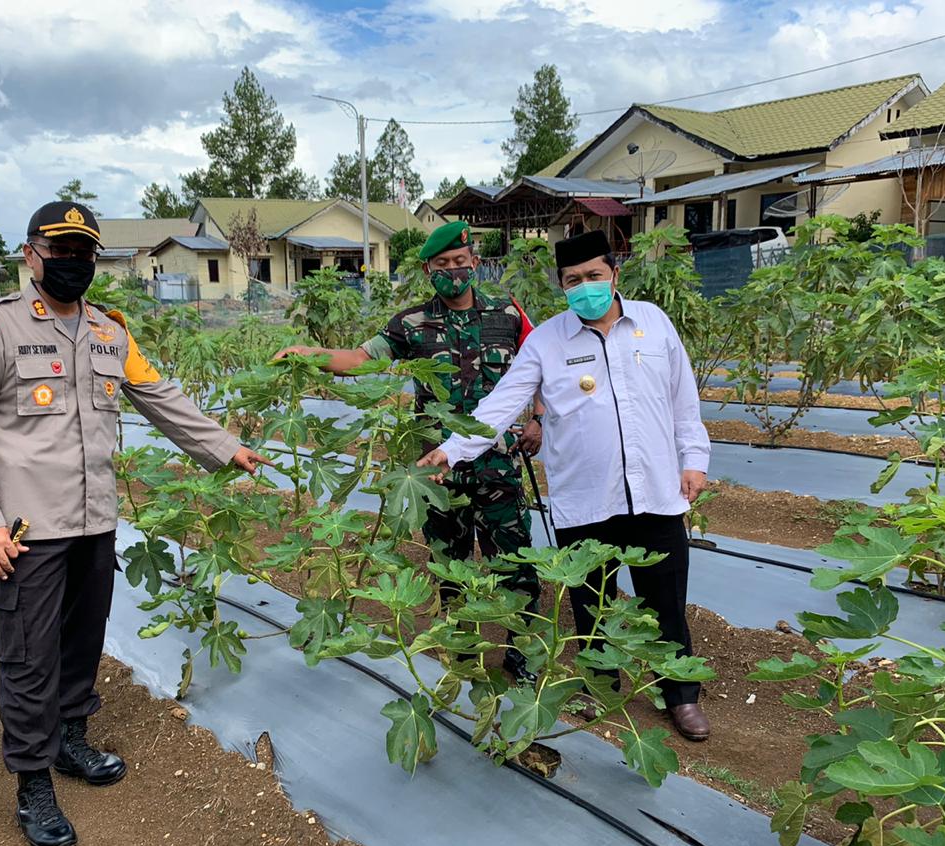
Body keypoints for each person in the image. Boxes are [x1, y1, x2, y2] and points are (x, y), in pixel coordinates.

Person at [0, 201, 270, 846]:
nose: (73, 262)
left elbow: (158, 396)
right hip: (25, 531)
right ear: (31, 255)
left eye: (83, 253)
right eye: (60, 251)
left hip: (93, 524)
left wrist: (223, 446)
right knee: (28, 659)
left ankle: (70, 742)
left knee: (80, 644)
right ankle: (33, 784)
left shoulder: (109, 333)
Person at [418, 230, 713, 741]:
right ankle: (600, 685)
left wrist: (695, 460)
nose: (585, 287)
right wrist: (452, 448)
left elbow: (683, 400)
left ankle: (681, 694)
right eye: (573, 280)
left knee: (665, 599)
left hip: (657, 491)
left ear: (614, 274)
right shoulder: (546, 341)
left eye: (594, 275)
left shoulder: (654, 324)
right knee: (590, 602)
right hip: (585, 498)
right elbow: (502, 404)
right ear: (562, 286)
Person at [275, 221, 544, 681]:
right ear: (428, 271)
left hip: (496, 465)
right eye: (443, 264)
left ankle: (523, 653)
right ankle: (462, 650)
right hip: (436, 471)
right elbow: (360, 359)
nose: (453, 271)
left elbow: (540, 364)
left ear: (474, 263)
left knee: (516, 564)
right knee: (449, 567)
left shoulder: (508, 314)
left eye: (460, 262)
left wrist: (538, 417)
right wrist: (308, 353)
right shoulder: (411, 324)